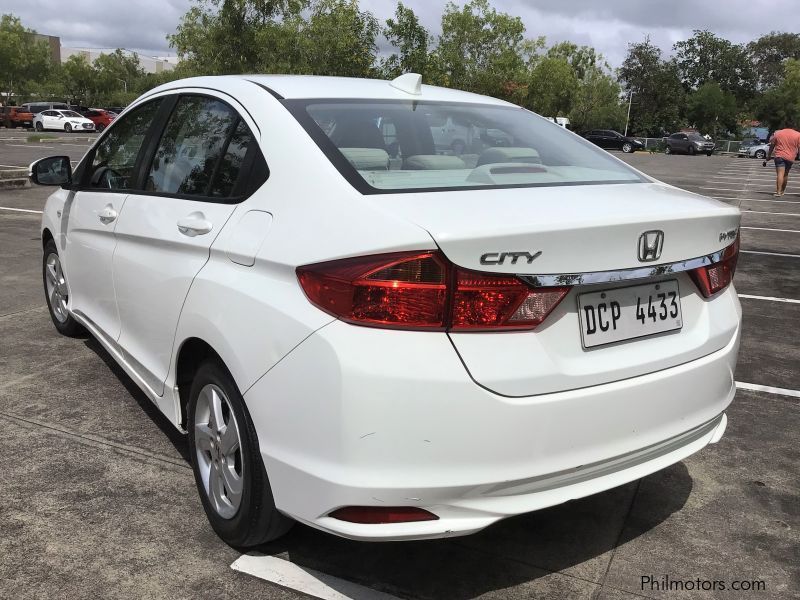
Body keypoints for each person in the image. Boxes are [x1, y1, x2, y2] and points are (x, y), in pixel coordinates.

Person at [765, 123, 800, 197]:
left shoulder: (778, 133)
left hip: (779, 156)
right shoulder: (798, 134)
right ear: (793, 126)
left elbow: (772, 145)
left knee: (780, 174)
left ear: (784, 126)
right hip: (790, 157)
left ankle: (778, 192)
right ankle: (783, 191)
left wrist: (769, 156)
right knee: (786, 174)